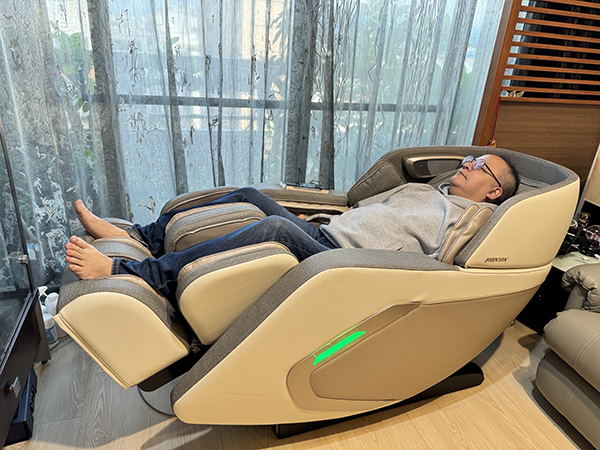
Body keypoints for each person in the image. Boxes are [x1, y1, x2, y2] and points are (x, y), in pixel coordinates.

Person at [65, 154, 519, 304]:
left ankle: (132, 272)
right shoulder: (422, 191)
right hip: (325, 235)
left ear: (494, 191)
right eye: (468, 159)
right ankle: (141, 236)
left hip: (344, 262)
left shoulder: (470, 219)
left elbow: (437, 268)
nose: (466, 164)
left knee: (275, 229)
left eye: (479, 166)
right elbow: (360, 213)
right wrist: (313, 221)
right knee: (250, 193)